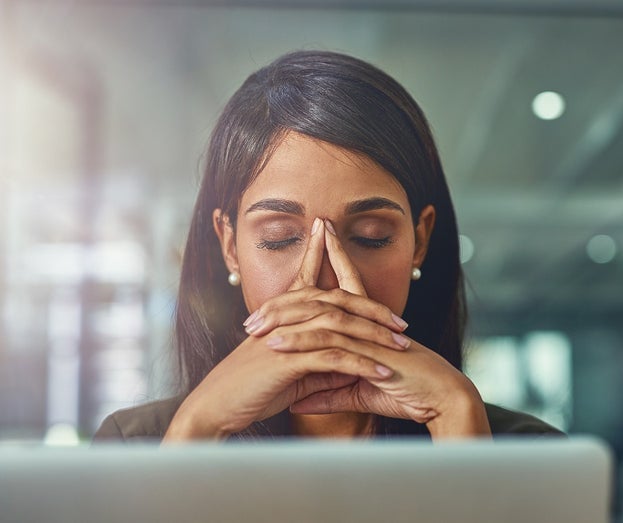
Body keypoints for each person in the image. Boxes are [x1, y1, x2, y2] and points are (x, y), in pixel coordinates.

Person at [94, 50, 560, 441]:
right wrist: (198, 429)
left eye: (369, 237)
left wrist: (457, 419)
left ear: (419, 242)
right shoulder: (140, 443)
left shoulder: (525, 450)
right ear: (231, 246)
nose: (326, 279)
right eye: (280, 239)